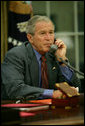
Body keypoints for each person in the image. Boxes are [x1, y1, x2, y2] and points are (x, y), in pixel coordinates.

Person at [1, 15, 81, 100]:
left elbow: (75, 87)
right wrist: (51, 94)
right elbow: (16, 89)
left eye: (51, 33)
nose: (48, 38)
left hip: (50, 109)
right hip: (17, 109)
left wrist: (62, 61)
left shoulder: (53, 54)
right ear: (30, 38)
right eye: (42, 33)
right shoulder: (15, 55)